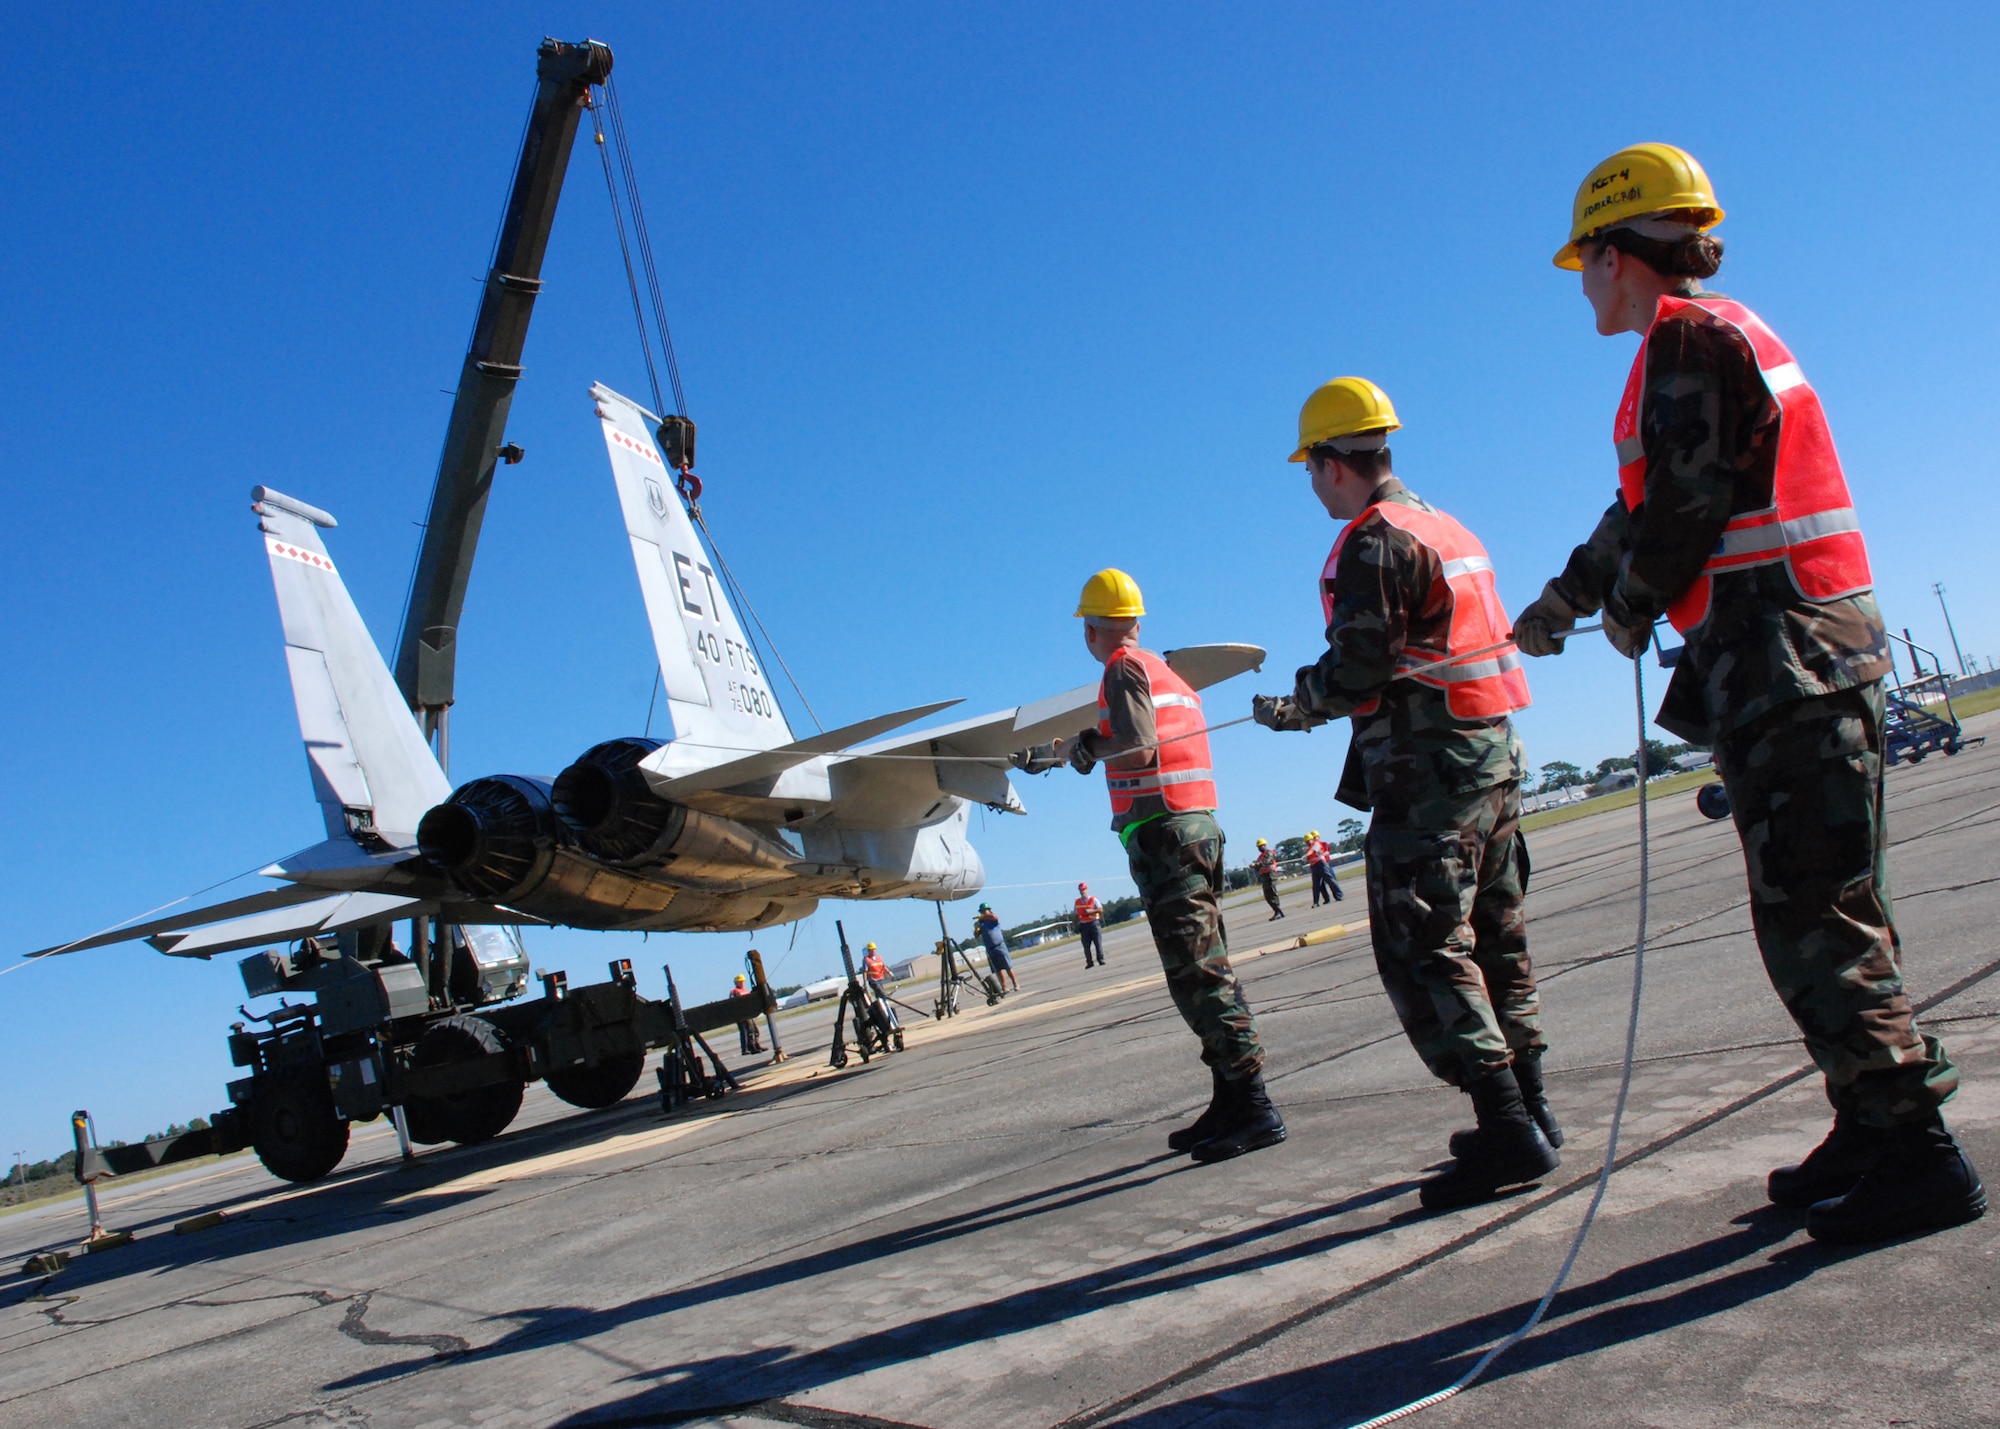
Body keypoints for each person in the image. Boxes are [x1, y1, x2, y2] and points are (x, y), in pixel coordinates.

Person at [1512, 143, 1983, 1244]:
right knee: (1816, 912)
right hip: (1788, 659)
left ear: (1619, 256)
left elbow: (1680, 509)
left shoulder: (1687, 341)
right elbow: (1643, 508)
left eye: (1584, 260)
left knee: (1815, 921)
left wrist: (1625, 607)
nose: (1579, 281)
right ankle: (1868, 1118)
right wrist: (1560, 600)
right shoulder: (1701, 345)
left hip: (1784, 660)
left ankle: (1915, 1150)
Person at [1252, 377, 1557, 1210]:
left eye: (1310, 470)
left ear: (1330, 463)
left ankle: (1505, 1128)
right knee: (1499, 934)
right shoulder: (1445, 523)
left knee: (1427, 943)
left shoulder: (1373, 541)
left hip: (1430, 773)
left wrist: (1301, 702)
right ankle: (1532, 1108)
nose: (1311, 486)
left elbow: (1360, 665)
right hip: (1494, 755)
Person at [1017, 568, 1285, 1163]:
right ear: (1135, 621)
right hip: (1195, 829)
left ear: (1091, 630)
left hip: (1165, 834)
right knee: (1204, 967)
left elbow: (1137, 746)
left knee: (1198, 975)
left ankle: (1256, 1106)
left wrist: (1086, 746)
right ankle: (1228, 1099)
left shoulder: (1119, 669)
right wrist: (1072, 749)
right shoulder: (1170, 675)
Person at [974, 904, 1019, 993]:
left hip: (999, 945)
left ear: (989, 910)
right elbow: (976, 935)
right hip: (990, 948)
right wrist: (976, 928)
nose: (983, 913)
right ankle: (1005, 986)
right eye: (982, 911)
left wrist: (983, 916)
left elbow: (994, 917)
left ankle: (1015, 983)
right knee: (998, 969)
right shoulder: (981, 923)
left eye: (985, 911)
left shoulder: (992, 919)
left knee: (1008, 966)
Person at [861, 941, 900, 1033]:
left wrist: (890, 974)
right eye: (871, 950)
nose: (873, 951)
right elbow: (865, 972)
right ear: (869, 950)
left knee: (880, 998)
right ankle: (883, 1002)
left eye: (874, 949)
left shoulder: (879, 958)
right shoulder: (866, 960)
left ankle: (883, 1012)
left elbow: (883, 967)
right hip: (873, 981)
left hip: (880, 980)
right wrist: (865, 982)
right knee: (881, 993)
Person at [1305, 830, 1344, 905]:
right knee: (1317, 885)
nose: (1308, 842)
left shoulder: (1317, 844)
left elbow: (1314, 851)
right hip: (1314, 866)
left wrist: (1307, 855)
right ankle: (1319, 901)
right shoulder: (1308, 849)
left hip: (1323, 864)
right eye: (1306, 841)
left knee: (1330, 880)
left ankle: (1338, 895)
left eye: (1309, 840)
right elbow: (1309, 857)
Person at [1250, 839, 1285, 920]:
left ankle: (1278, 911)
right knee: (1267, 896)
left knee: (1272, 893)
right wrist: (1255, 866)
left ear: (1264, 845)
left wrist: (1256, 864)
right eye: (1258, 847)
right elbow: (1258, 866)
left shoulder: (1269, 853)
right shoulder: (1260, 856)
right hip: (1264, 876)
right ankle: (1277, 911)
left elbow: (1267, 861)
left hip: (1271, 875)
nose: (1259, 848)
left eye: (1260, 846)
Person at [730, 972, 764, 1056]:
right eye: (740, 981)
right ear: (736, 982)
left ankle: (756, 1044)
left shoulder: (746, 990)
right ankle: (747, 1048)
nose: (742, 983)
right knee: (746, 1031)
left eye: (742, 981)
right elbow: (734, 1003)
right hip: (742, 1014)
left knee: (755, 1030)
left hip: (750, 1013)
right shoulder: (735, 991)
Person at [1074, 882, 1106, 968]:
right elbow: (1076, 914)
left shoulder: (1093, 899)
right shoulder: (1077, 902)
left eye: (1083, 889)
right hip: (1084, 925)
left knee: (1098, 943)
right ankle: (1089, 962)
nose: (1082, 891)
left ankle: (1101, 959)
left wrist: (1091, 911)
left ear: (1086, 889)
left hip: (1093, 923)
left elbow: (1100, 910)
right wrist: (1076, 924)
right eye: (1080, 890)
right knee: (1086, 946)